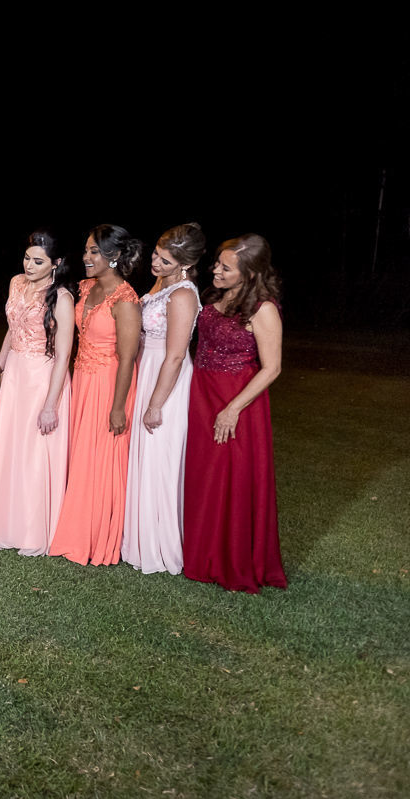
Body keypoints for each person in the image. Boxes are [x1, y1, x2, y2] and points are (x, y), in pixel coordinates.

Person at [183, 234, 286, 592]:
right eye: (217, 263)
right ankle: (200, 552)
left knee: (232, 478)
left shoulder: (263, 309)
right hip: (203, 394)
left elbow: (272, 368)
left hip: (237, 401)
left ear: (250, 274)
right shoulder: (217, 297)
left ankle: (230, 557)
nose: (216, 270)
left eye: (226, 268)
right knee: (205, 475)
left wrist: (233, 409)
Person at [48, 224, 143, 565]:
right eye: (86, 250)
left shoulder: (126, 300)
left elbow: (128, 358)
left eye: (94, 252)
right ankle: (74, 526)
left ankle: (95, 536)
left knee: (101, 460)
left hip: (108, 385)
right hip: (83, 380)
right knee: (81, 455)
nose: (86, 257)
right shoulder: (86, 287)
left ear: (113, 257)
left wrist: (118, 407)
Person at [0, 229, 75, 554]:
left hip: (42, 378)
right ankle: (5, 524)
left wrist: (51, 404)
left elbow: (64, 355)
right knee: (10, 448)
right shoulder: (16, 283)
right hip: (15, 375)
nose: (29, 266)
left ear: (56, 263)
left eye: (38, 261)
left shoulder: (61, 298)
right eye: (27, 258)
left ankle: (33, 531)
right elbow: (12, 329)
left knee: (34, 454)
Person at [122, 223, 203, 574]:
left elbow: (175, 355)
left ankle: (160, 542)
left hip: (166, 377)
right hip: (147, 368)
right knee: (143, 455)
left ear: (186, 265)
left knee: (159, 457)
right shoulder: (161, 284)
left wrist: (155, 404)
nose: (155, 262)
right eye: (156, 254)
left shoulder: (183, 295)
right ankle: (138, 536)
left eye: (165, 261)